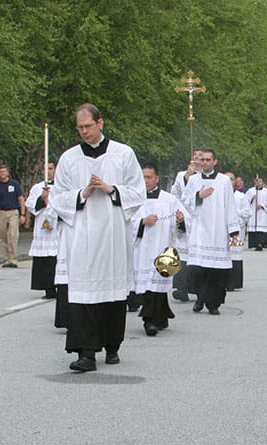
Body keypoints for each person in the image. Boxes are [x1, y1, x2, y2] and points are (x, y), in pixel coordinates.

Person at [51, 103, 146, 372]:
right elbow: (58, 197)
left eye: (88, 126)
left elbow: (138, 192)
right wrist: (82, 193)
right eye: (80, 127)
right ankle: (86, 353)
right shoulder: (69, 159)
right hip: (80, 235)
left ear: (100, 123)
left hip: (113, 234)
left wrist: (110, 188)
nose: (84, 132)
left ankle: (112, 345)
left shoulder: (123, 154)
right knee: (82, 294)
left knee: (112, 293)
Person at [131, 162, 188, 336]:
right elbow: (127, 222)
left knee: (158, 284)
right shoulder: (134, 199)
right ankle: (149, 321)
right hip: (142, 250)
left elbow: (184, 223)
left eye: (148, 177)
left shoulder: (169, 200)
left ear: (157, 178)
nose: (145, 181)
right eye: (142, 177)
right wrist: (142, 222)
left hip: (162, 248)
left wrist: (180, 220)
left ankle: (160, 317)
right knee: (148, 285)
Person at [183, 148, 240, 314]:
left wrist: (233, 230)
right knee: (199, 269)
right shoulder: (193, 180)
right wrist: (198, 195)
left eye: (209, 160)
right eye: (203, 160)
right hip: (200, 231)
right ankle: (200, 299)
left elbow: (230, 205)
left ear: (215, 162)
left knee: (216, 271)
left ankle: (213, 303)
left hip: (218, 230)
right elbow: (185, 202)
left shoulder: (223, 181)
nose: (205, 162)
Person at [170, 148, 204, 303]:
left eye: (200, 156)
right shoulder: (181, 175)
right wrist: (187, 177)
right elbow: (175, 193)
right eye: (195, 155)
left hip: (200, 217)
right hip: (184, 215)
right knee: (183, 253)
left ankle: (198, 289)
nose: (196, 158)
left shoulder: (205, 177)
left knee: (198, 255)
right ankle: (182, 288)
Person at [25, 161, 59, 298]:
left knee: (56, 258)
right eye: (45, 169)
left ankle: (60, 287)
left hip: (57, 228)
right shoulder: (37, 187)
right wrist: (42, 199)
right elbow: (30, 204)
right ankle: (48, 289)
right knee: (44, 259)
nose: (48, 172)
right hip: (42, 227)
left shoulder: (61, 186)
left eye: (50, 169)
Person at [0, 165, 26, 268]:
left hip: (13, 212)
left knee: (12, 234)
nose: (2, 174)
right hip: (1, 212)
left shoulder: (14, 184)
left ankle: (13, 259)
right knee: (3, 236)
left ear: (8, 173)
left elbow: (21, 199)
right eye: (0, 172)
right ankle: (6, 259)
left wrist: (23, 214)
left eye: (4, 172)